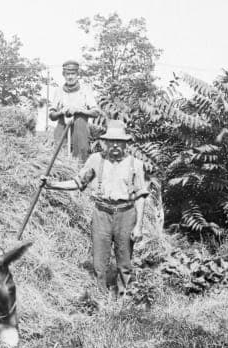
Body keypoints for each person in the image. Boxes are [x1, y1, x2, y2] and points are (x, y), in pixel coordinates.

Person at [42, 120, 149, 295]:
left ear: (125, 143)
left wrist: (138, 226)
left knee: (124, 260)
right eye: (111, 141)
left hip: (126, 214)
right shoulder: (95, 160)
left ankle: (123, 296)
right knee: (100, 261)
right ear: (105, 142)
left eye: (119, 141)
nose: (115, 145)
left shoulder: (135, 164)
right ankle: (101, 295)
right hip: (101, 213)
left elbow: (141, 196)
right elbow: (77, 182)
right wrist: (52, 185)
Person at [48, 60, 101, 163]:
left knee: (81, 156)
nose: (70, 77)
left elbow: (95, 112)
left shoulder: (85, 90)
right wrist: (61, 112)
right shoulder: (59, 91)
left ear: (78, 75)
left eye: (73, 74)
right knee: (59, 157)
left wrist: (79, 110)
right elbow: (51, 115)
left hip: (80, 129)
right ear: (64, 75)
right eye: (68, 74)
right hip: (62, 128)